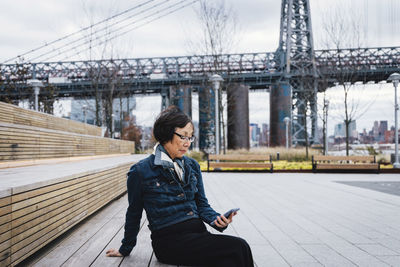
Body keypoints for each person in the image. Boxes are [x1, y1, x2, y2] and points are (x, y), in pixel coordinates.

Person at [106, 106, 253, 267]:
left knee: (237, 251)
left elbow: (202, 204)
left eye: (190, 138)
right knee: (238, 247)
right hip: (169, 242)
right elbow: (133, 213)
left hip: (198, 235)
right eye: (183, 137)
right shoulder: (141, 171)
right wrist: (125, 248)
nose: (187, 143)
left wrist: (217, 220)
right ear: (166, 134)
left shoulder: (192, 166)